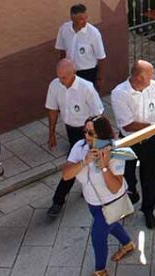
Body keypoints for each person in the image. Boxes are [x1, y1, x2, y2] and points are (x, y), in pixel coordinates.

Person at [60, 115, 134, 276]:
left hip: (111, 201)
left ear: (102, 134)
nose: (87, 136)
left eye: (91, 133)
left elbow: (115, 187)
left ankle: (100, 271)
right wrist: (83, 162)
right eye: (85, 131)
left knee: (97, 236)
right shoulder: (79, 147)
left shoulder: (116, 150)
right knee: (111, 223)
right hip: (92, 202)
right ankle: (128, 244)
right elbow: (65, 175)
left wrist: (105, 166)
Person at [110, 60, 155, 228]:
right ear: (139, 78)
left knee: (149, 177)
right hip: (128, 140)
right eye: (149, 75)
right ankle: (132, 191)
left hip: (150, 141)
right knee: (126, 173)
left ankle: (148, 210)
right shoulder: (119, 93)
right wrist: (153, 127)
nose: (153, 77)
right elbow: (127, 124)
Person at [46, 58, 105, 216]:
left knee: (75, 164)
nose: (61, 80)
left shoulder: (86, 88)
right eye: (58, 76)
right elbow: (52, 109)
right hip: (70, 130)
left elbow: (98, 113)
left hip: (87, 131)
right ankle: (82, 185)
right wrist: (51, 133)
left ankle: (58, 200)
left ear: (73, 73)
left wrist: (93, 137)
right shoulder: (55, 86)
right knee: (78, 162)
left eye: (64, 77)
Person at [55, 3, 106, 87]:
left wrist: (100, 78)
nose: (85, 21)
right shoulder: (64, 29)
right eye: (81, 19)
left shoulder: (93, 33)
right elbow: (62, 52)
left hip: (88, 73)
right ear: (72, 18)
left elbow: (101, 57)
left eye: (86, 18)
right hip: (70, 73)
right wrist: (61, 70)